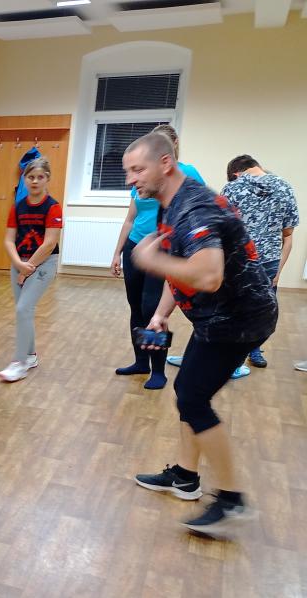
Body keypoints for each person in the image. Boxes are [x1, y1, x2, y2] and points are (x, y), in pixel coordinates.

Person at [124, 133, 277, 536]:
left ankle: (231, 500)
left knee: (192, 397)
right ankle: (186, 476)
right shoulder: (170, 204)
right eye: (128, 171)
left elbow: (208, 275)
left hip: (240, 319)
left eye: (137, 169)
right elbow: (180, 265)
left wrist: (150, 261)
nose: (130, 180)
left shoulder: (195, 208)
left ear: (165, 163)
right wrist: (161, 314)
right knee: (188, 392)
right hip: (217, 318)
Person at [111, 124, 204, 389]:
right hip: (135, 247)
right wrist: (117, 252)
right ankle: (141, 361)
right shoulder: (142, 177)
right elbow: (131, 218)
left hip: (163, 250)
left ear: (172, 146)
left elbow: (196, 209)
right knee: (136, 308)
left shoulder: (187, 172)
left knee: (152, 308)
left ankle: (158, 370)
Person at [220, 154, 299, 368]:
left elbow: (221, 229)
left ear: (236, 173)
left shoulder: (231, 189)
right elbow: (288, 234)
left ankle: (230, 357)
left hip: (239, 261)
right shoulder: (285, 187)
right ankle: (252, 352)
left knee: (232, 309)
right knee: (262, 311)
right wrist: (278, 272)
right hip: (270, 261)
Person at [0, 157, 63, 383]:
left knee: (23, 308)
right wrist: (18, 264)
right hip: (20, 263)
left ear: (47, 179)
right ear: (24, 179)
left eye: (40, 177)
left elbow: (49, 244)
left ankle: (19, 363)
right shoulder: (17, 207)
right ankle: (31, 355)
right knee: (23, 311)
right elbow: (8, 239)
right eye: (31, 177)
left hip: (43, 264)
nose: (35, 181)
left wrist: (27, 269)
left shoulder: (53, 207)